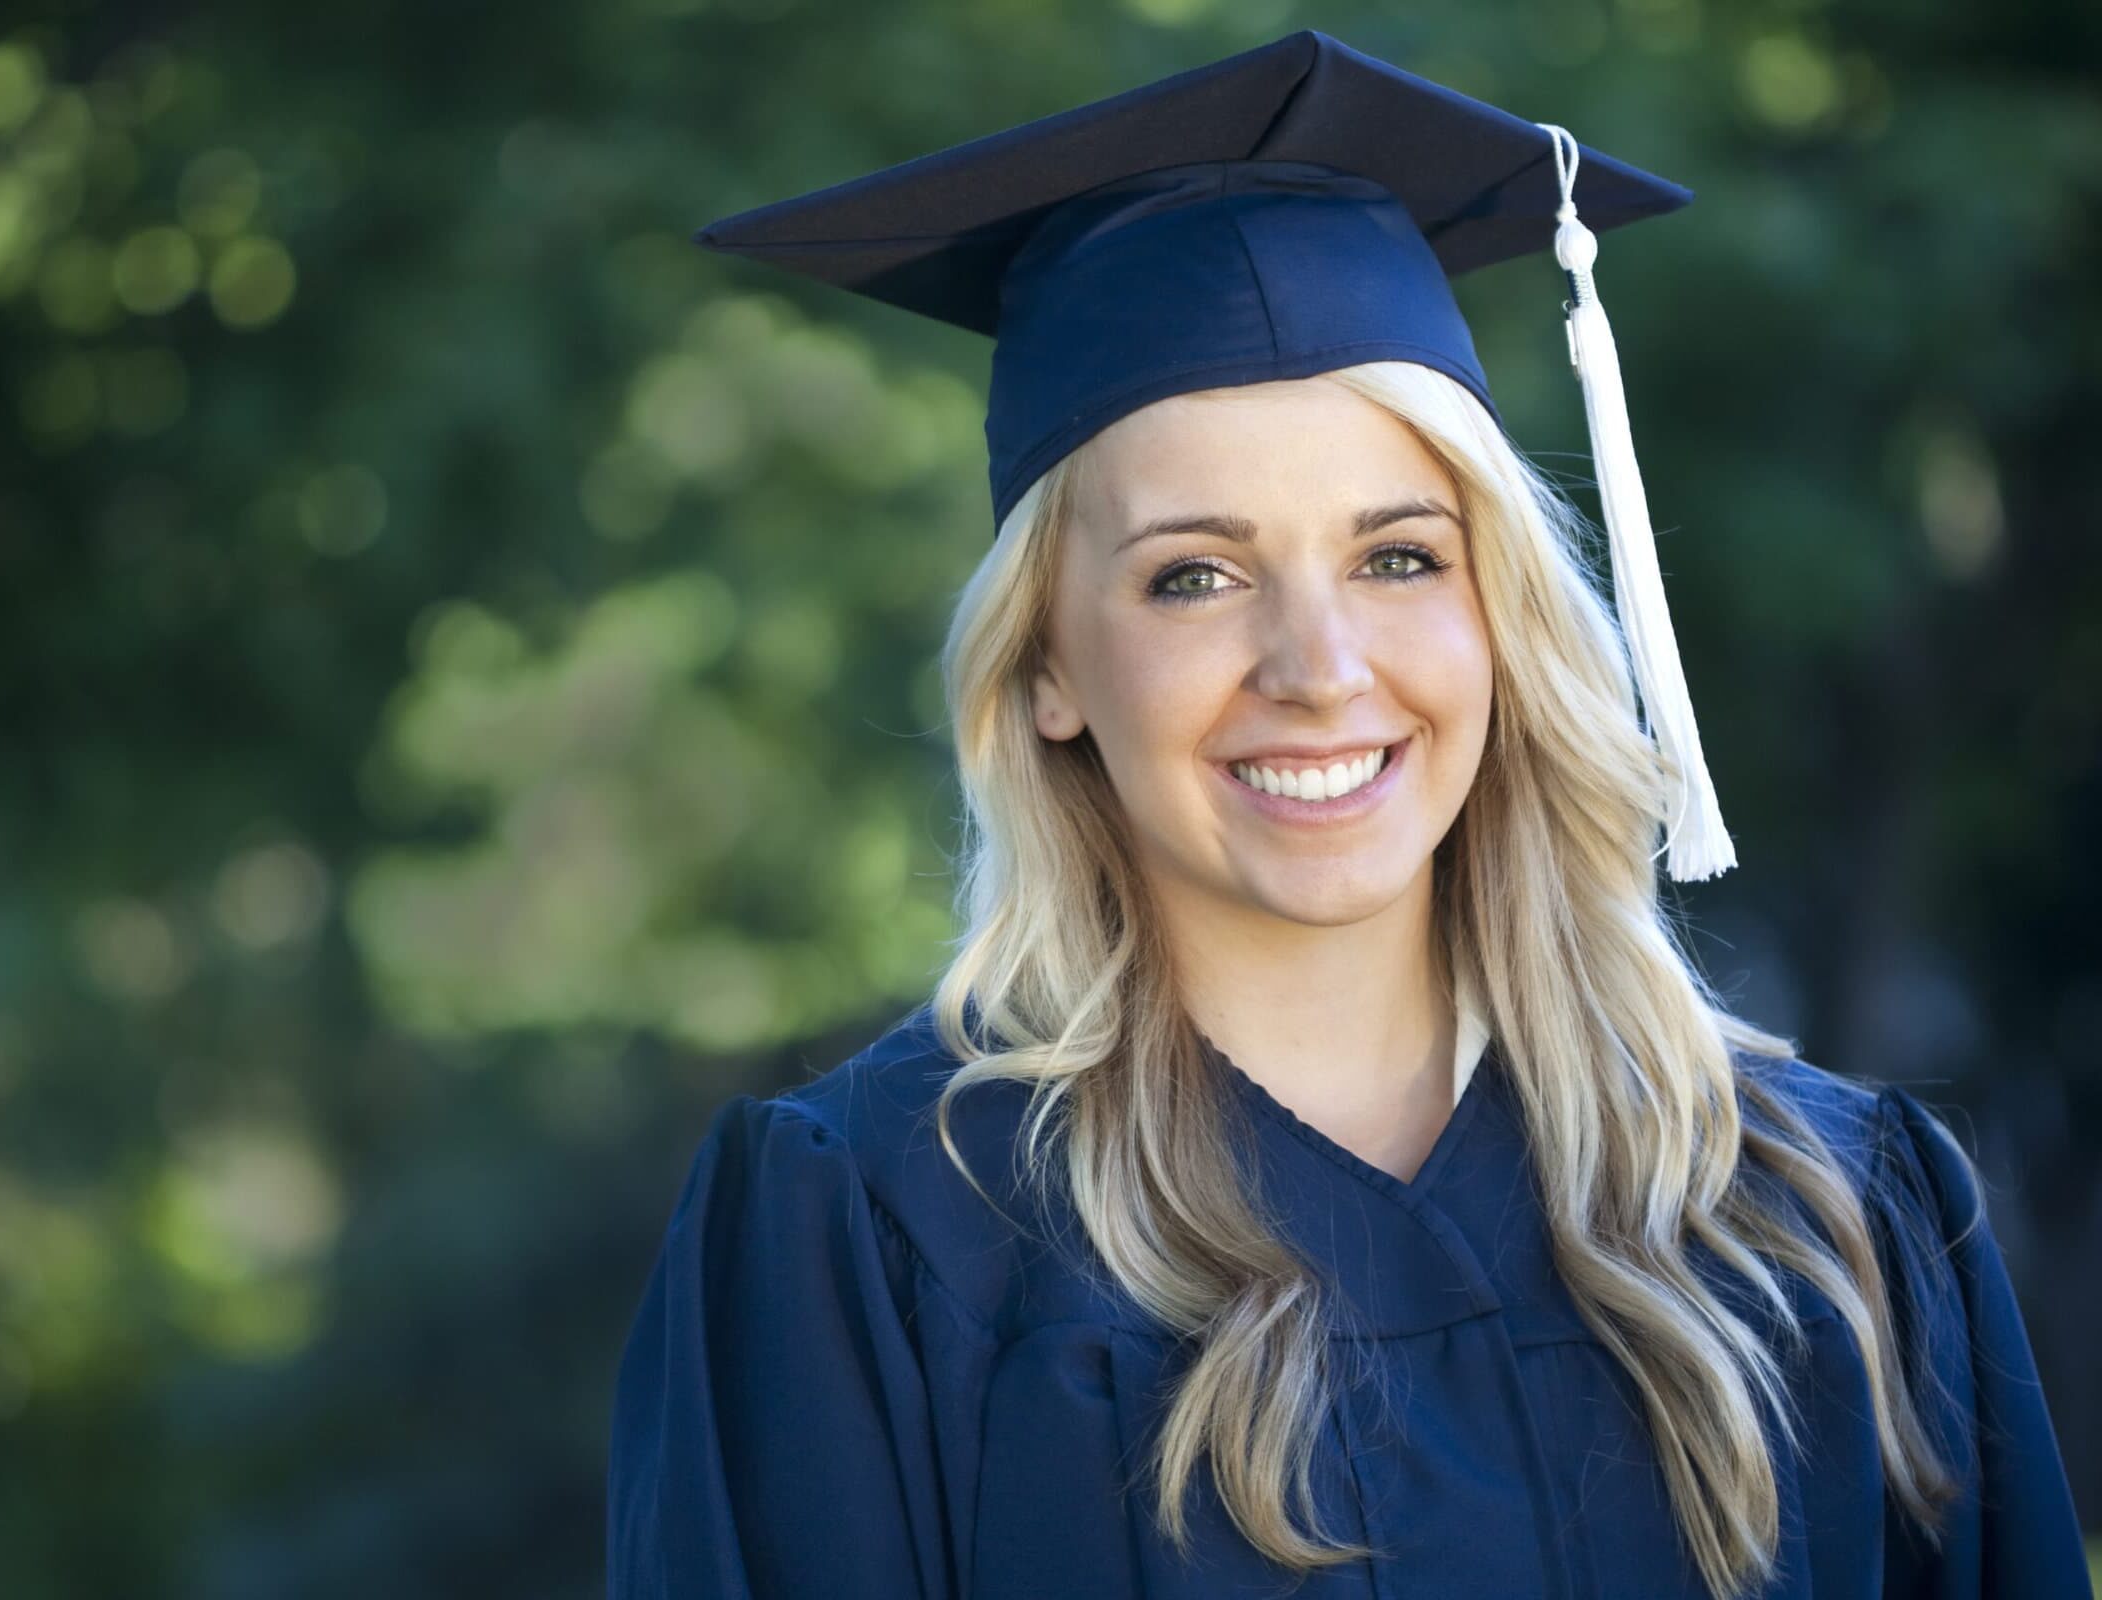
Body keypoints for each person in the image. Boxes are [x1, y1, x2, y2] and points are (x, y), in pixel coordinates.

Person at [605, 29, 2091, 1600]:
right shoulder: (881, 1236)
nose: (1320, 670)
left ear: (1501, 611)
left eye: (1400, 557)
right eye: (1196, 575)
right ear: (1047, 663)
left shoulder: (1824, 1215)